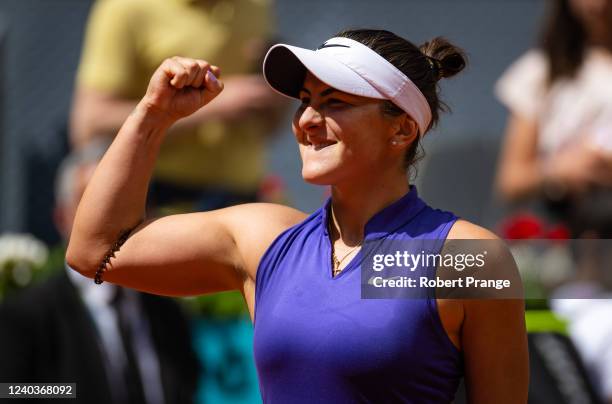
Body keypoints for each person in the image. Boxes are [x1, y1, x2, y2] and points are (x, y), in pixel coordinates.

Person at [67, 28, 529, 403]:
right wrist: (153, 115)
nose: (306, 119)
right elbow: (96, 250)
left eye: (335, 102)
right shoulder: (264, 237)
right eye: (306, 99)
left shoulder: (470, 258)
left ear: (402, 128)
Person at [0, 142, 200, 404]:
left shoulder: (166, 312)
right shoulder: (27, 315)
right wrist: (66, 391)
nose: (114, 215)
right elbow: (10, 390)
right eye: (93, 203)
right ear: (62, 217)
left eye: (127, 199)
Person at [70, 0, 285, 212]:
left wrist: (279, 98)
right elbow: (91, 124)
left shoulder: (257, 6)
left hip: (247, 200)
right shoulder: (125, 8)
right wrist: (215, 104)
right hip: (161, 205)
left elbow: (267, 122)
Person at [495, 0, 612, 231]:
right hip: (572, 229)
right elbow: (511, 180)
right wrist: (561, 168)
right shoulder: (540, 72)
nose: (598, 5)